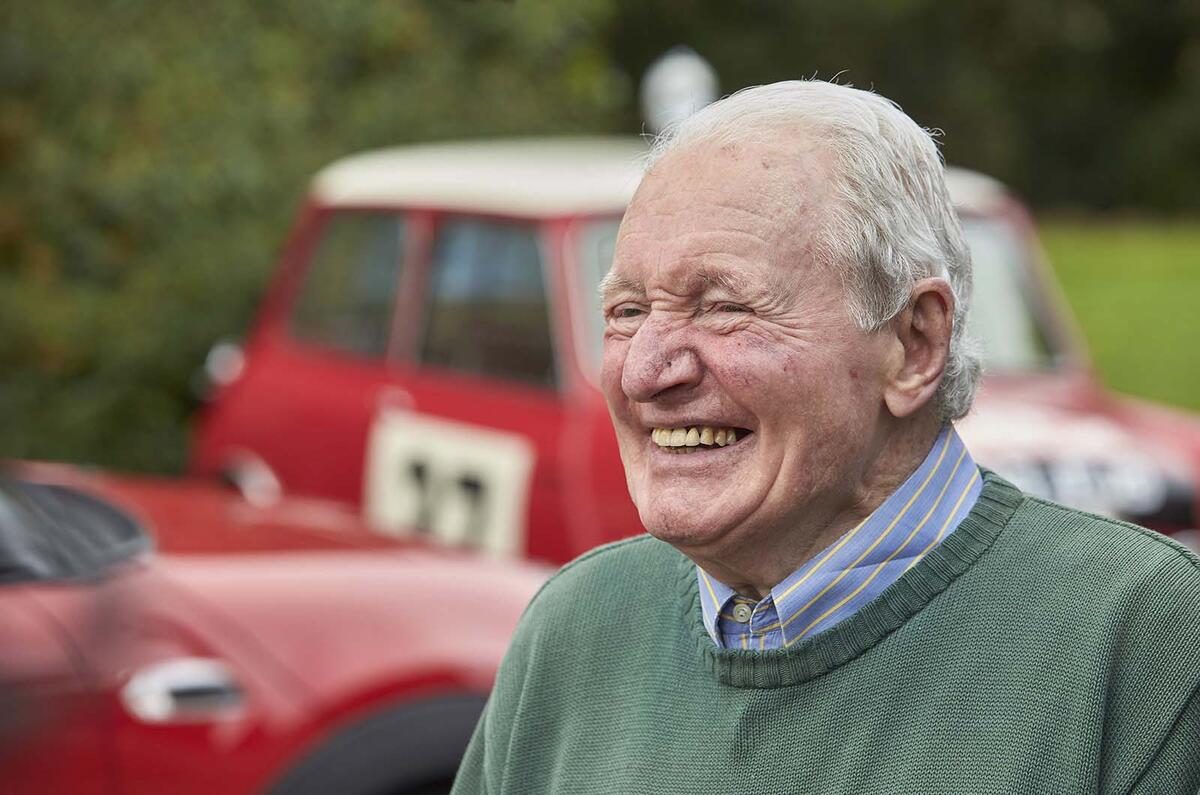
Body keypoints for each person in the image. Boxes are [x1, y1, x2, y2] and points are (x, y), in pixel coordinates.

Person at [450, 81, 1200, 794]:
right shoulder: (574, 629)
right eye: (627, 311)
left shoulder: (1148, 643)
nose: (645, 370)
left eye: (722, 306)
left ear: (913, 344)